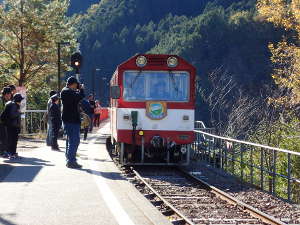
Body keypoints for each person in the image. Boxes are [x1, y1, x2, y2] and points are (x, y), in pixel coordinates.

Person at [60, 76, 85, 169]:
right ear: (73, 84)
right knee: (74, 141)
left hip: (70, 120)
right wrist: (81, 90)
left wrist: (78, 90)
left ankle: (69, 159)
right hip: (71, 120)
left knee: (70, 141)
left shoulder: (67, 91)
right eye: (76, 84)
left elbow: (76, 98)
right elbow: (80, 96)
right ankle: (71, 161)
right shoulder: (67, 91)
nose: (77, 86)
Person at [0, 93, 23, 160]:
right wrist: (19, 112)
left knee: (13, 140)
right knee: (13, 140)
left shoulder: (12, 104)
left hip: (11, 125)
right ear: (18, 100)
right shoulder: (14, 105)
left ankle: (13, 153)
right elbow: (12, 115)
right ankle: (12, 153)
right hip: (13, 126)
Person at [0, 87, 12, 157]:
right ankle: (2, 152)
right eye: (9, 94)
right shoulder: (1, 100)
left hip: (3, 122)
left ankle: (4, 151)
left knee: (4, 136)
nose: (10, 96)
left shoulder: (4, 100)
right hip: (1, 121)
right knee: (3, 137)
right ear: (6, 94)